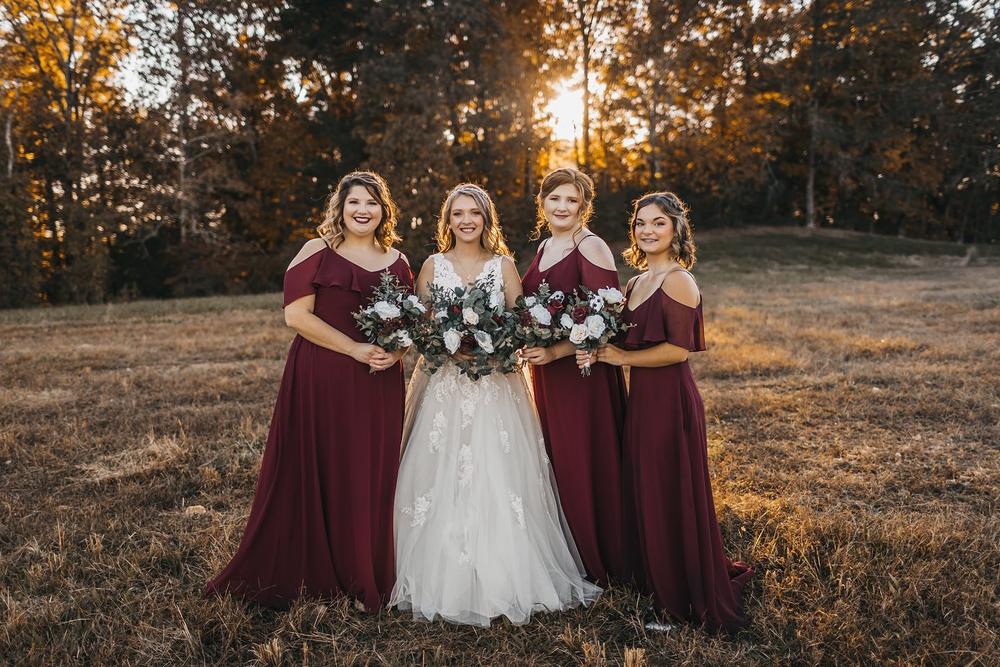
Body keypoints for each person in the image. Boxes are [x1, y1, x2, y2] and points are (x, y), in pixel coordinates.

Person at [389, 183, 600, 626]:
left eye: (475, 213)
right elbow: (420, 325)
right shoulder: (431, 265)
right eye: (458, 213)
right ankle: (435, 572)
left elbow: (519, 324)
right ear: (447, 221)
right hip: (445, 385)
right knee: (437, 472)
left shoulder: (503, 266)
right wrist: (447, 346)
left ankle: (506, 574)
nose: (467, 220)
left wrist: (490, 346)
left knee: (497, 473)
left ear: (487, 220)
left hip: (495, 387)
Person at [205, 171, 412, 611]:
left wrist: (396, 353)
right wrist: (354, 348)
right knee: (323, 464)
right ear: (339, 208)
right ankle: (318, 571)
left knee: (371, 471)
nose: (362, 210)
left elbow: (408, 323)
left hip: (379, 382)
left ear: (383, 210)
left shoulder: (398, 262)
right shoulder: (316, 251)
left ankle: (366, 571)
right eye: (354, 202)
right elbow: (296, 317)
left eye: (372, 203)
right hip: (323, 373)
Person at [586, 191, 752, 632]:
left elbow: (678, 351)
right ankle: (658, 581)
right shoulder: (636, 282)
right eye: (641, 223)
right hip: (641, 401)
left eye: (658, 223)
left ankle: (681, 602)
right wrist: (588, 344)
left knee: (670, 491)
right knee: (648, 490)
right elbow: (622, 337)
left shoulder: (680, 280)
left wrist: (620, 360)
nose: (648, 230)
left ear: (677, 228)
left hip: (670, 399)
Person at [520, 167, 627, 585]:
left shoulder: (591, 245)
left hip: (583, 376)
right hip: (548, 375)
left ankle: (600, 553)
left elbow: (608, 316)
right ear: (542, 203)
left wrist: (556, 350)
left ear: (584, 206)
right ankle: (572, 553)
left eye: (572, 200)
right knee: (559, 460)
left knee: (585, 459)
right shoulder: (546, 244)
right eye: (555, 198)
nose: (562, 207)